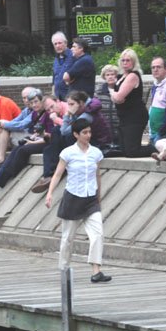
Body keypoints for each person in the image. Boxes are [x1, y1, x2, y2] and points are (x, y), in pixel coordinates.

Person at [45, 118, 112, 284]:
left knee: (97, 234)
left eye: (89, 132)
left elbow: (97, 175)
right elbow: (58, 174)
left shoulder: (96, 153)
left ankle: (96, 271)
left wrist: (99, 195)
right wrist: (50, 193)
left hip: (91, 199)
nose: (88, 135)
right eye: (84, 133)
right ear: (76, 134)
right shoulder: (68, 153)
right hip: (73, 197)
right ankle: (64, 269)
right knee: (68, 238)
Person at [30, 90, 112, 194]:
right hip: (84, 139)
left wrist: (67, 115)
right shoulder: (80, 111)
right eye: (68, 104)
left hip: (98, 144)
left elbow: (66, 131)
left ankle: (52, 174)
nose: (69, 107)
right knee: (48, 149)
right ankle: (48, 176)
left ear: (81, 103)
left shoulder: (87, 115)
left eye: (72, 104)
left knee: (61, 136)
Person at [0, 93, 56, 189]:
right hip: (37, 139)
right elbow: (29, 127)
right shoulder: (34, 114)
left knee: (23, 150)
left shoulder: (47, 115)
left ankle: (4, 175)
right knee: (18, 148)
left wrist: (32, 142)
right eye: (32, 103)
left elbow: (49, 136)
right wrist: (32, 137)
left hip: (46, 142)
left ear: (42, 102)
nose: (34, 105)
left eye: (36, 102)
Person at [109, 48, 155, 158]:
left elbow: (119, 97)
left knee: (132, 151)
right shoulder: (121, 77)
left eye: (128, 60)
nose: (125, 63)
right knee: (124, 150)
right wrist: (116, 96)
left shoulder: (133, 76)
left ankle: (156, 148)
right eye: (123, 60)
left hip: (135, 116)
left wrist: (111, 90)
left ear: (134, 62)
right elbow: (117, 99)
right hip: (124, 116)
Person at [95, 64, 120, 145]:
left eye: (112, 74)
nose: (110, 77)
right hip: (104, 129)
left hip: (119, 128)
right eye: (107, 75)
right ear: (104, 77)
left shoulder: (122, 90)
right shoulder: (98, 92)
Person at [52, 31, 73, 101]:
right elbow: (54, 78)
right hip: (58, 97)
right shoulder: (56, 59)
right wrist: (53, 95)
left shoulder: (73, 56)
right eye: (55, 44)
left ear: (66, 43)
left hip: (70, 96)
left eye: (60, 43)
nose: (58, 46)